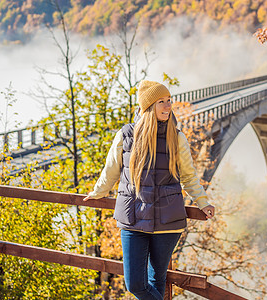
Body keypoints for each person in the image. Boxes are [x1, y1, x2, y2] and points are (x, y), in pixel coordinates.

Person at [83, 80, 215, 300]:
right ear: (147, 107)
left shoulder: (177, 137)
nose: (167, 106)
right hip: (133, 219)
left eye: (169, 101)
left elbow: (189, 177)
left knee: (157, 280)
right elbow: (111, 170)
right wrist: (98, 192)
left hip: (167, 222)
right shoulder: (126, 136)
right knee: (135, 284)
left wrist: (203, 202)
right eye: (161, 102)